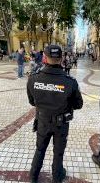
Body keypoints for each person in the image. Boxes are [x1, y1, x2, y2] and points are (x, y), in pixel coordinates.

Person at [27, 45, 83, 183]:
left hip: (42, 121)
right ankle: (57, 178)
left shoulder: (33, 79)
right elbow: (78, 104)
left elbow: (32, 101)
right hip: (61, 124)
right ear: (61, 58)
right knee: (58, 153)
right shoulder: (70, 82)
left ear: (45, 58)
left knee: (40, 150)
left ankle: (33, 177)